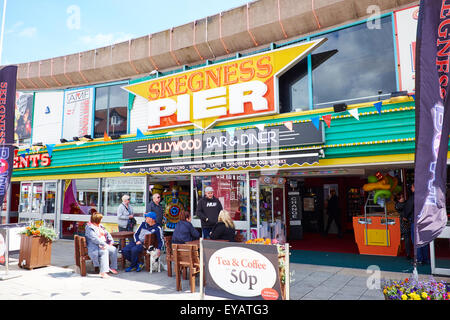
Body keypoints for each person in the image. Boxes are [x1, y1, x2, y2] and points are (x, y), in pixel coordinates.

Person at [84, 213, 119, 279]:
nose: (101, 220)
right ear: (96, 220)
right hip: (95, 247)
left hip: (103, 245)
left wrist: (111, 242)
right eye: (100, 219)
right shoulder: (89, 227)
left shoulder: (101, 226)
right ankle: (103, 272)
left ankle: (112, 267)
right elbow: (95, 239)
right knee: (104, 251)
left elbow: (107, 234)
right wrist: (104, 245)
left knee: (113, 249)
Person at [404, 184, 430, 265]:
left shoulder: (413, 197)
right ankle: (425, 259)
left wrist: (405, 216)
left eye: (412, 187)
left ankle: (419, 259)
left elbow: (408, 208)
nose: (411, 188)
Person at [395, 192, 411, 260]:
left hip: (402, 223)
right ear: (398, 199)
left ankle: (407, 253)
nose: (403, 198)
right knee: (406, 238)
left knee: (406, 238)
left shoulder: (399, 205)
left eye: (402, 197)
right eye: (401, 197)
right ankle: (407, 253)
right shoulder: (400, 205)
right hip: (403, 223)